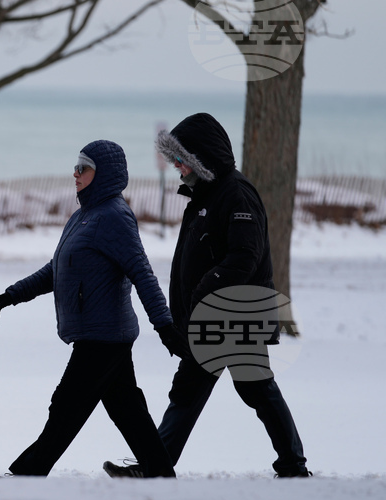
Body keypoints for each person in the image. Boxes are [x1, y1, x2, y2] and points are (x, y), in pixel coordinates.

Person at [103, 113, 311, 479]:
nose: (179, 168)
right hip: (211, 316)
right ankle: (157, 464)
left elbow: (244, 257)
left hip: (237, 314)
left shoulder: (235, 194)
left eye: (183, 160)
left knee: (256, 388)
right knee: (189, 390)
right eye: (176, 161)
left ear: (202, 159)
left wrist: (203, 288)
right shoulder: (206, 194)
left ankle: (293, 464)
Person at [0, 140, 184, 478]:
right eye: (76, 166)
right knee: (126, 408)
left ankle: (26, 474)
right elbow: (58, 268)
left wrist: (164, 326)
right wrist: (13, 294)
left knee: (66, 406)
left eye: (84, 167)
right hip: (102, 334)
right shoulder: (83, 217)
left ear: (103, 173)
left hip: (105, 335)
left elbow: (143, 274)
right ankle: (159, 471)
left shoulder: (115, 218)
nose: (75, 173)